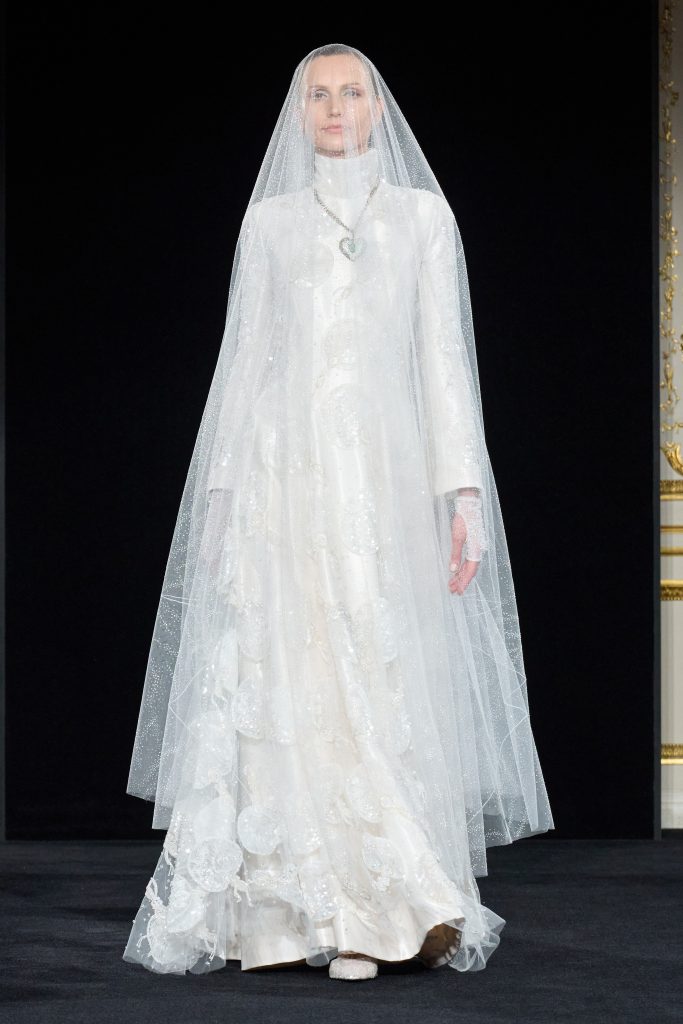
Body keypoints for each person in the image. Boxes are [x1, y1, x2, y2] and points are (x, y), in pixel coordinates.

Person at [122, 43, 554, 983]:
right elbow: (244, 360)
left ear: (376, 107)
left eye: (350, 91)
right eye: (317, 93)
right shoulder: (270, 222)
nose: (333, 106)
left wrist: (463, 494)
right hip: (283, 477)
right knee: (287, 665)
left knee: (373, 661)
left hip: (383, 479)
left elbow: (443, 357)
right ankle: (284, 915)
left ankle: (379, 908)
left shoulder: (421, 217)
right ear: (297, 110)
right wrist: (222, 496)